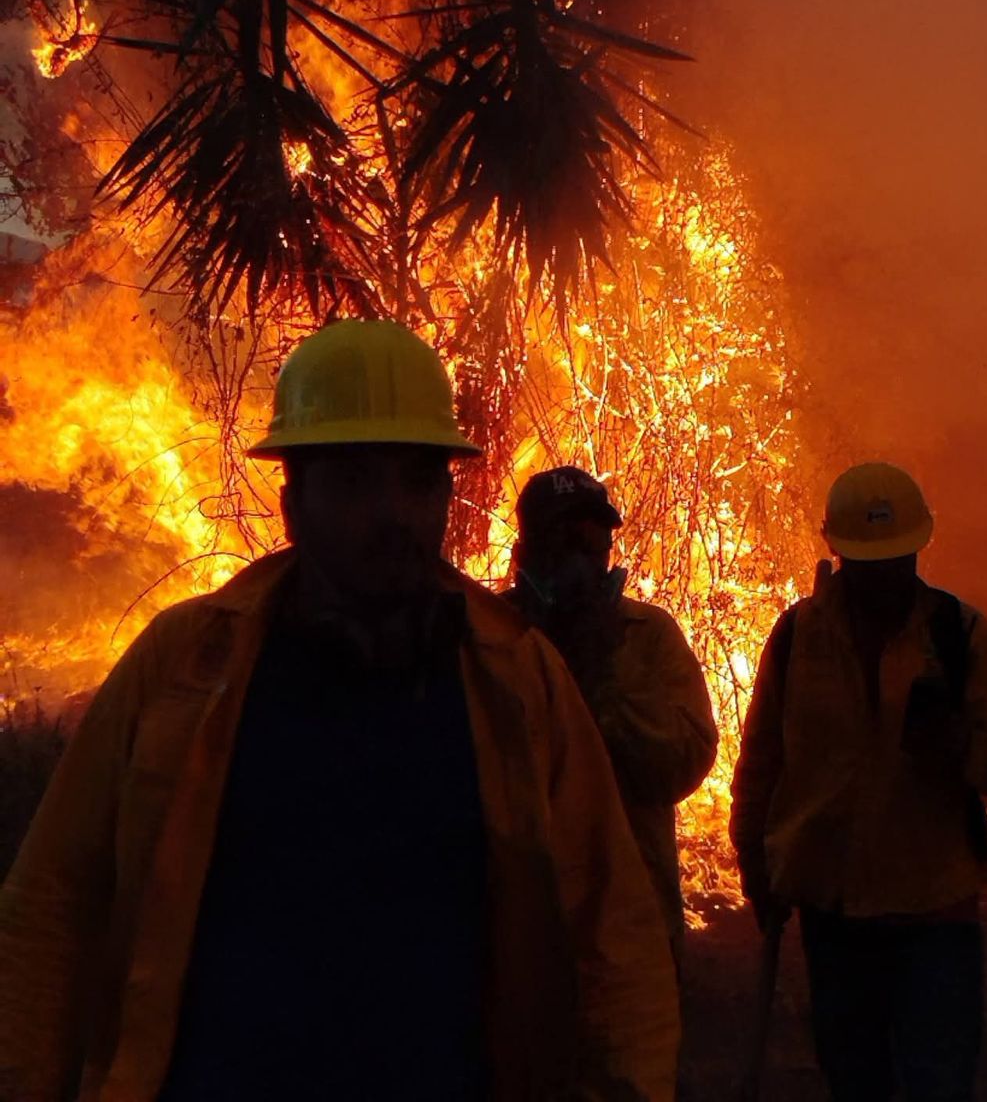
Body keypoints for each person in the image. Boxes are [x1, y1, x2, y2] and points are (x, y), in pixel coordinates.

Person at [0, 321, 679, 1102]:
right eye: (354, 480)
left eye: (419, 480)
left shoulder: (516, 679)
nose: (393, 514)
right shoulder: (187, 665)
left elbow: (613, 935)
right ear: (293, 503)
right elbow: (52, 905)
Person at [731, 462, 987, 1102]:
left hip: (934, 911)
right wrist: (756, 859)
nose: (883, 574)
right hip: (834, 911)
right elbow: (762, 760)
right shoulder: (797, 638)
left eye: (895, 557)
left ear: (920, 547)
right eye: (868, 559)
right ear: (836, 549)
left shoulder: (960, 637)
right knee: (855, 1080)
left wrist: (963, 747)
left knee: (937, 1081)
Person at [507, 466, 718, 956]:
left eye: (592, 546)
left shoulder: (648, 636)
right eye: (564, 544)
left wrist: (605, 678)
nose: (580, 566)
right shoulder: (490, 636)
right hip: (521, 927)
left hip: (633, 919)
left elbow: (681, 766)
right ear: (526, 554)